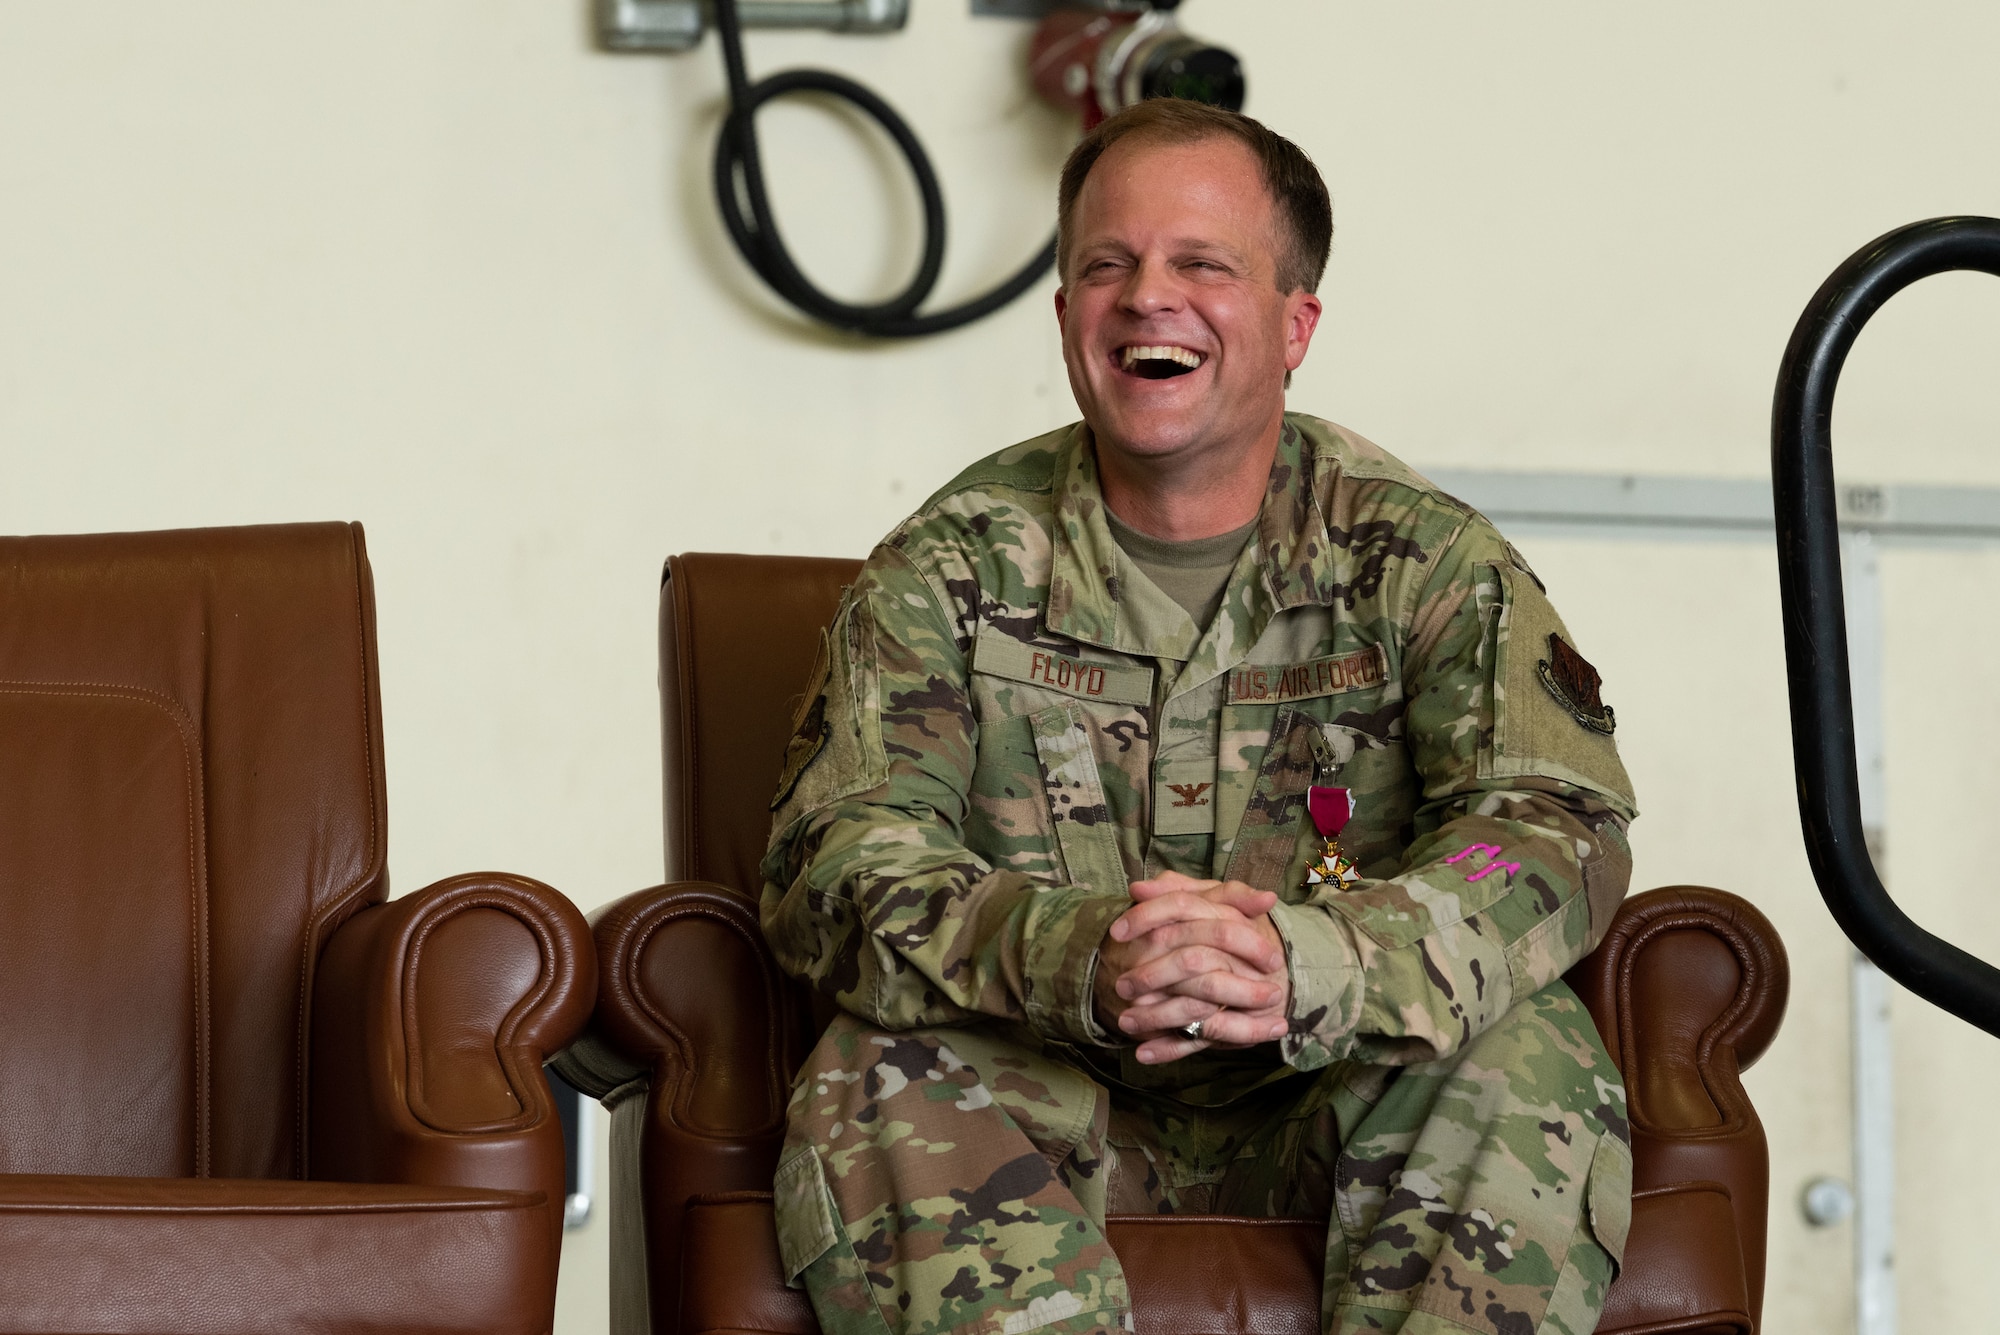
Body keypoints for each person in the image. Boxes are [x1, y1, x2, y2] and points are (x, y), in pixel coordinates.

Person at [760, 98, 1637, 1335]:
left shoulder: (1425, 562)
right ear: (1064, 315)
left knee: (1520, 1054)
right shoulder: (948, 568)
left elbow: (1552, 830)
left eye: (1201, 265)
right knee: (876, 1068)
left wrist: (1315, 963)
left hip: (1334, 1084)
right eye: (1102, 266)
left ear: (1295, 325)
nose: (1143, 297)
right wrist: (1074, 954)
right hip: (1045, 1082)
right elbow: (835, 857)